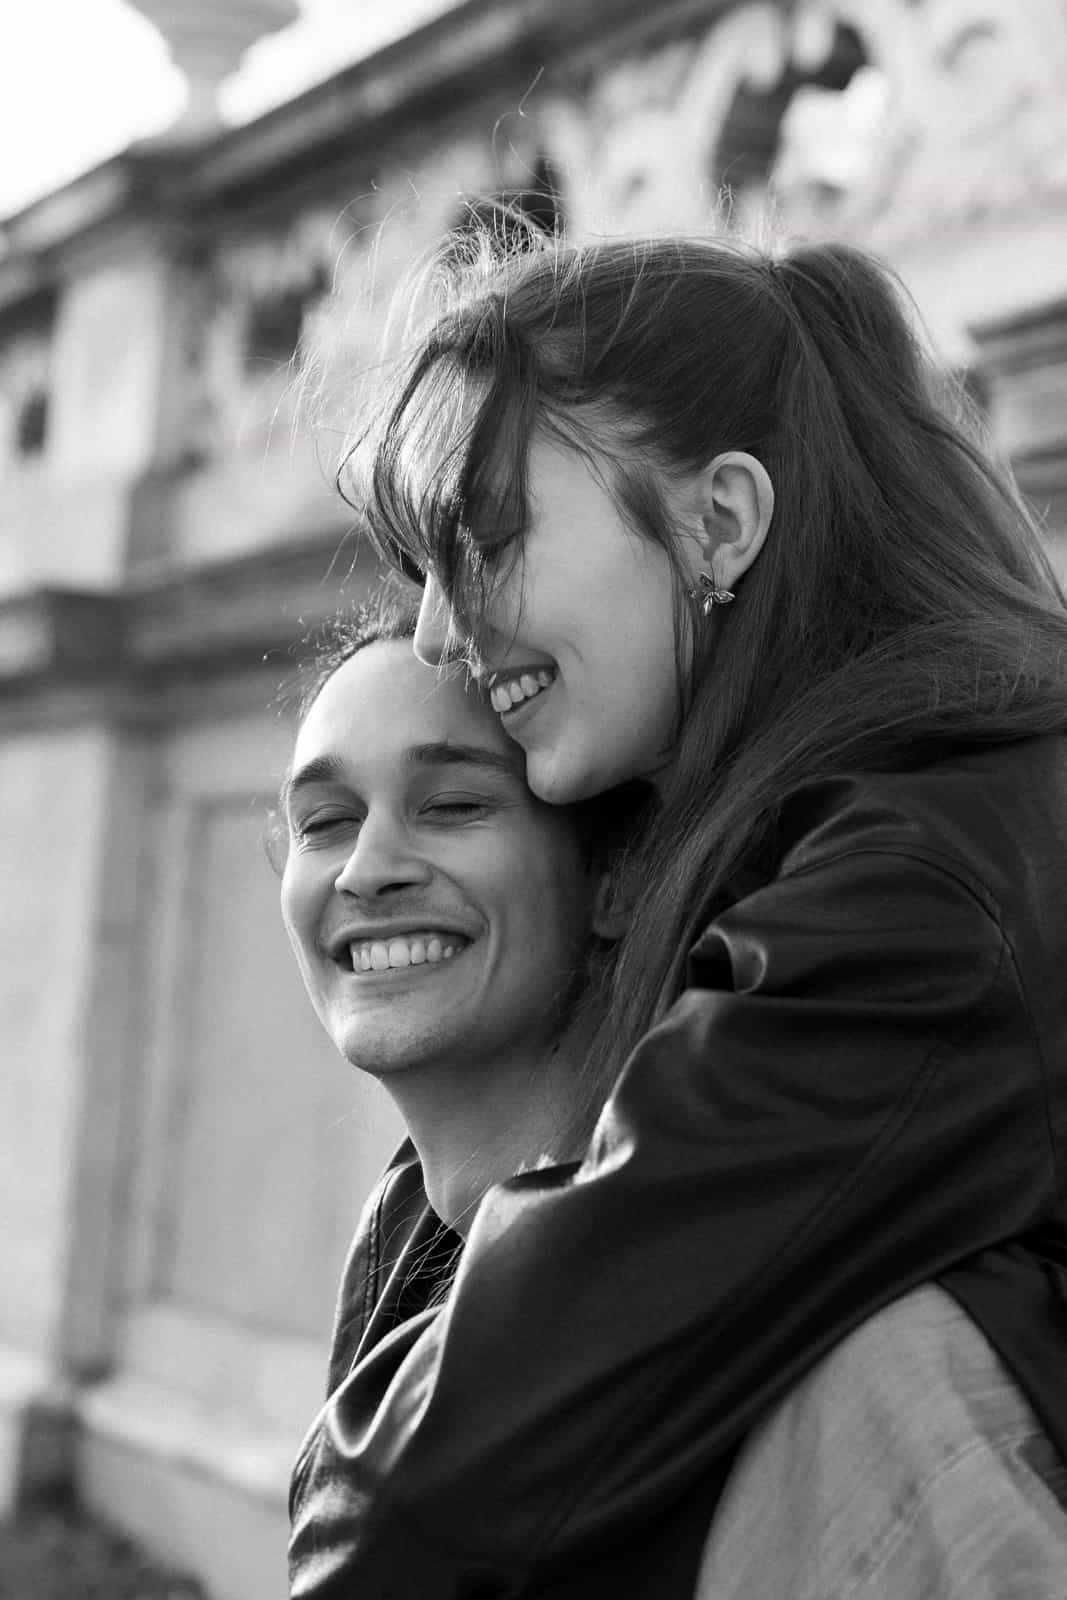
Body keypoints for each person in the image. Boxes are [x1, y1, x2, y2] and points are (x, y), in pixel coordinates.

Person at [289, 234, 1067, 1597]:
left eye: (482, 540)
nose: (429, 634)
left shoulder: (923, 885)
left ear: (719, 520)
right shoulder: (880, 813)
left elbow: (456, 1476)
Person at [277, 596, 645, 1578]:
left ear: (615, 875)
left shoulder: (719, 1296)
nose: (366, 870)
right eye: (324, 821)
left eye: (451, 805)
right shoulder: (405, 1235)